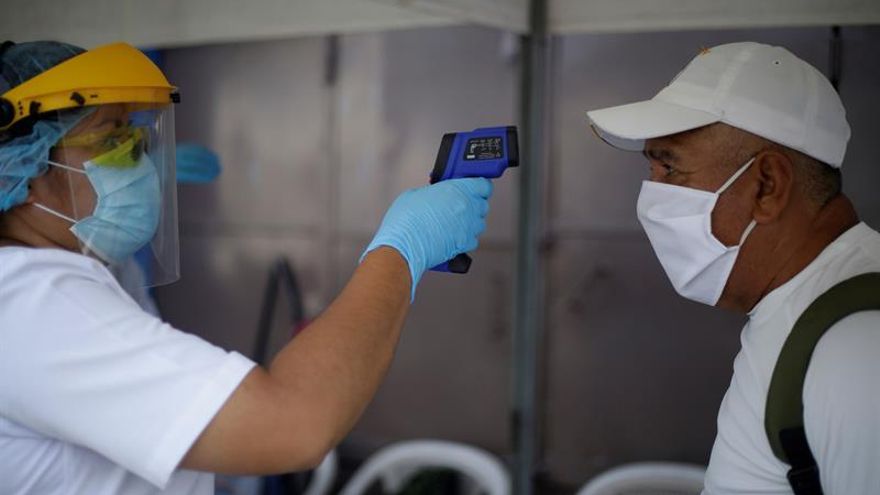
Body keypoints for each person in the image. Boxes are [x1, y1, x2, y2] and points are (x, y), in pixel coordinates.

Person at [0, 40, 493, 494]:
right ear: (22, 170)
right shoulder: (31, 302)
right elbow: (292, 423)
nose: (141, 163)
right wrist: (403, 248)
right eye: (113, 141)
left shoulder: (48, 286)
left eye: (139, 140)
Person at [586, 42, 880, 494]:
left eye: (670, 169)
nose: (652, 196)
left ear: (767, 186)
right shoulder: (804, 309)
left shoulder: (856, 349)